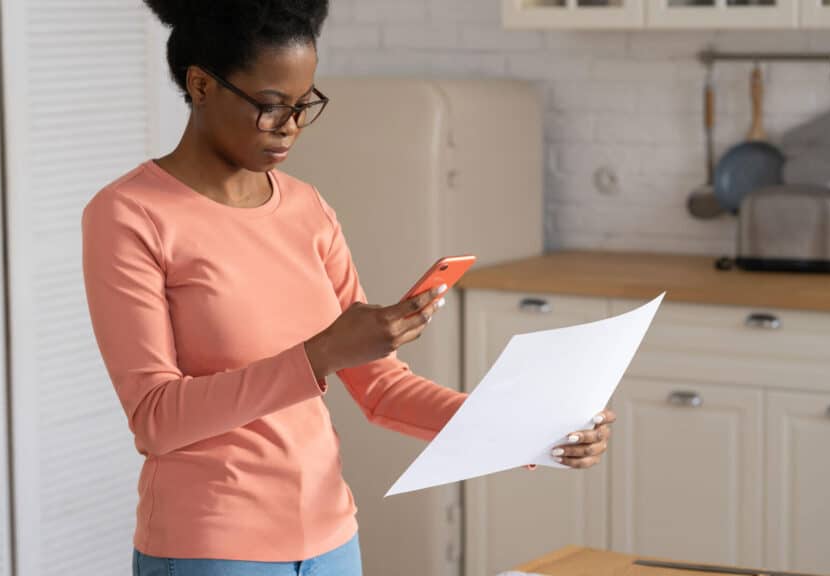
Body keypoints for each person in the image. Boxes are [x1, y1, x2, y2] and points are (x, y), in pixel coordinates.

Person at [80, 2, 616, 575]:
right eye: (268, 106)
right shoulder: (131, 216)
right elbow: (156, 419)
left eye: (302, 105)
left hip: (332, 540)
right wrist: (322, 353)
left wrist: (525, 432)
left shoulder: (308, 209)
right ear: (202, 85)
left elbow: (381, 388)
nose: (289, 126)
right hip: (210, 546)